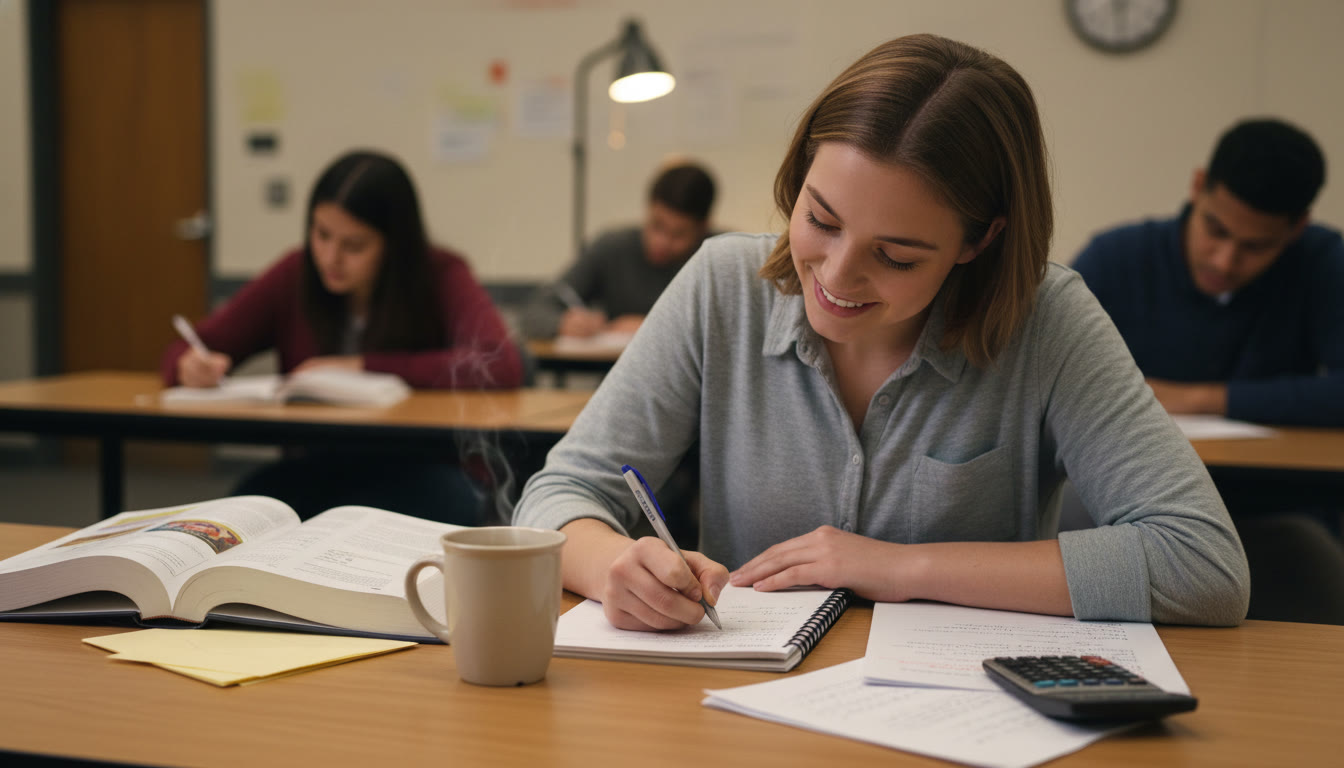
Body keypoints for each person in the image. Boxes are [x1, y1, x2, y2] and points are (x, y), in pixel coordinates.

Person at [512, 34, 1249, 632]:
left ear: (979, 240)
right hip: (740, 707)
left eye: (895, 255)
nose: (835, 275)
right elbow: (560, 493)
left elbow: (1204, 563)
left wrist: (898, 567)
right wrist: (610, 562)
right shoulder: (721, 285)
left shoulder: (1047, 319)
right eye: (820, 220)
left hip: (966, 712)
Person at [161, 149, 524, 523]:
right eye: (321, 235)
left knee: (442, 509)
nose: (330, 257)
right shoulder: (296, 273)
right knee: (241, 511)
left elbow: (499, 362)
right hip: (320, 463)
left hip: (420, 464)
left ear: (394, 246)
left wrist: (363, 367)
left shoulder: (440, 274)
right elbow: (193, 345)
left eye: (354, 246)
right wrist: (189, 366)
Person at [1072, 119, 1344, 427]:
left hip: (1273, 473)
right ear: (1198, 186)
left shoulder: (1320, 260)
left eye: (1256, 247)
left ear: (1298, 228)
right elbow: (1044, 378)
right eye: (1216, 231)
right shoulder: (1114, 258)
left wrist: (1195, 400)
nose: (1224, 262)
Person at [519, 162, 717, 340]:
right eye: (657, 225)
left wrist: (652, 327)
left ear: (703, 228)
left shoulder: (719, 258)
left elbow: (736, 331)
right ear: (648, 208)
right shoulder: (613, 247)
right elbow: (535, 311)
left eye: (678, 234)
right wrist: (563, 323)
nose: (662, 242)